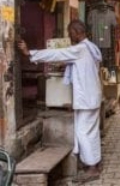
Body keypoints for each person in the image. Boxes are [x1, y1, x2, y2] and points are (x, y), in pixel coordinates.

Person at [17, 19, 102, 183]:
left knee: (83, 132)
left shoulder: (81, 49)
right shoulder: (92, 48)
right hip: (92, 97)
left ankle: (92, 168)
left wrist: (30, 53)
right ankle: (94, 163)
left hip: (86, 99)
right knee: (90, 131)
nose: (70, 37)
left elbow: (57, 53)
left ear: (77, 32)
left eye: (70, 33)